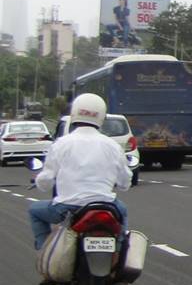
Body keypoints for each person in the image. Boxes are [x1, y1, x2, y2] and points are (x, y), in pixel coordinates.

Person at [29, 93, 132, 251]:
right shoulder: (112, 146)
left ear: (74, 113)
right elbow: (125, 183)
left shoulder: (61, 144)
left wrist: (39, 181)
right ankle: (119, 251)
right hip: (106, 206)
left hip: (67, 209)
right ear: (102, 116)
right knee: (122, 210)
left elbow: (45, 181)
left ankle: (45, 251)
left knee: (34, 210)